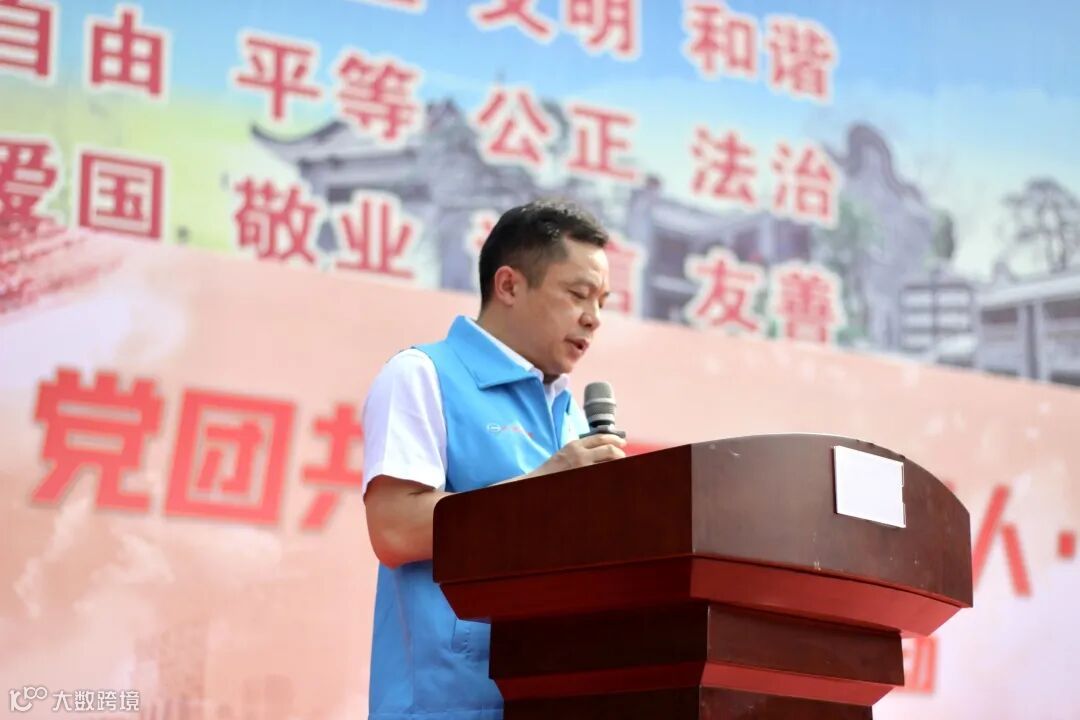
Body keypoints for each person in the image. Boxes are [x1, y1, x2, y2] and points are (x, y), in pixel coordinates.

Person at [361, 199, 627, 719]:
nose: (593, 318)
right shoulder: (424, 374)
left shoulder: (572, 416)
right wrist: (541, 489)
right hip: (448, 704)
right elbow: (394, 529)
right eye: (577, 294)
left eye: (602, 302)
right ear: (508, 285)